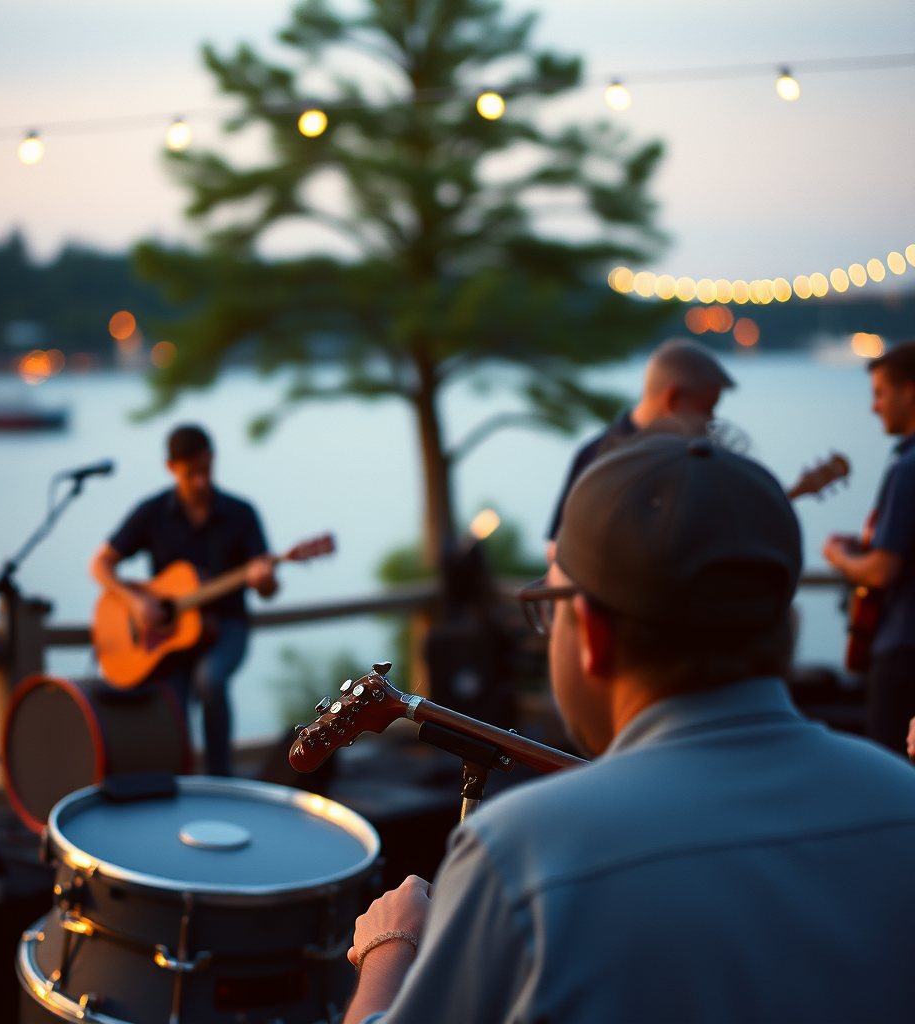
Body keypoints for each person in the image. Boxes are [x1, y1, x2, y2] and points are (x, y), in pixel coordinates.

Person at [344, 434, 915, 1024]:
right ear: (789, 625)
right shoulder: (903, 802)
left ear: (590, 631)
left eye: (552, 602)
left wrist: (391, 951)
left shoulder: (522, 856)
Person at [89, 424, 276, 775]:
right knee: (170, 704)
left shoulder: (240, 513)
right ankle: (179, 782)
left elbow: (268, 591)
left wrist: (264, 580)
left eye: (207, 470)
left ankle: (222, 780)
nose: (201, 481)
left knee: (210, 679)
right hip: (169, 637)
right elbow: (100, 565)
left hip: (227, 627)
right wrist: (135, 602)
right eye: (192, 474)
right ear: (170, 468)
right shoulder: (152, 512)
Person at [544, 338, 735, 561]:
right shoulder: (600, 458)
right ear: (672, 398)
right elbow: (557, 550)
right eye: (706, 409)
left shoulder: (693, 458)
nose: (711, 420)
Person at [823, 341, 915, 755]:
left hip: (901, 652)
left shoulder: (908, 469)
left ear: (910, 391)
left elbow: (882, 571)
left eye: (879, 393)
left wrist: (839, 557)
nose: (873, 407)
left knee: (892, 771)